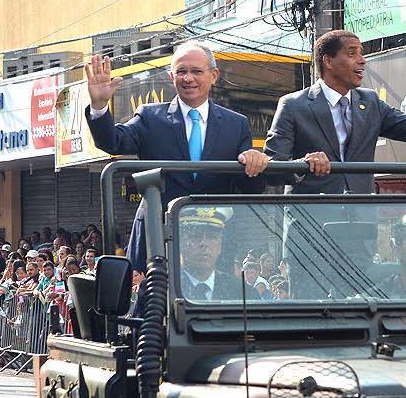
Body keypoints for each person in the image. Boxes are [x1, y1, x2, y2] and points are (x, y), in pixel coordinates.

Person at [83, 42, 269, 271]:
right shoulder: (150, 117)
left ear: (214, 75)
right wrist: (99, 107)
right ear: (172, 76)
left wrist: (255, 162)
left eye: (196, 71)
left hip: (212, 243)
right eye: (181, 71)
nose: (188, 78)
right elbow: (112, 141)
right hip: (158, 238)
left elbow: (250, 187)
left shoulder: (236, 124)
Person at [264, 30, 406, 194]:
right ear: (328, 62)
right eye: (352, 54)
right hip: (310, 222)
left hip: (362, 220)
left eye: (361, 54)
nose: (362, 61)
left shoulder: (370, 101)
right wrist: (303, 165)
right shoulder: (293, 105)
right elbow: (272, 168)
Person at [179, 207, 233, 301]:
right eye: (194, 236)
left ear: (219, 246)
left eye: (211, 237)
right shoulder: (161, 289)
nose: (203, 243)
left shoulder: (242, 291)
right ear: (181, 243)